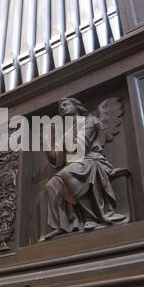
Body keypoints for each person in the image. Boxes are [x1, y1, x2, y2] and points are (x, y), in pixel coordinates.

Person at [42, 98, 127, 241]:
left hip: (91, 160)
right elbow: (57, 160)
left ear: (77, 106)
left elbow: (82, 146)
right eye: (59, 108)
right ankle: (64, 225)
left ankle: (90, 217)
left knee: (68, 173)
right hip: (74, 164)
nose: (62, 108)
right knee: (51, 185)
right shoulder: (65, 134)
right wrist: (46, 144)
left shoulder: (90, 121)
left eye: (65, 104)